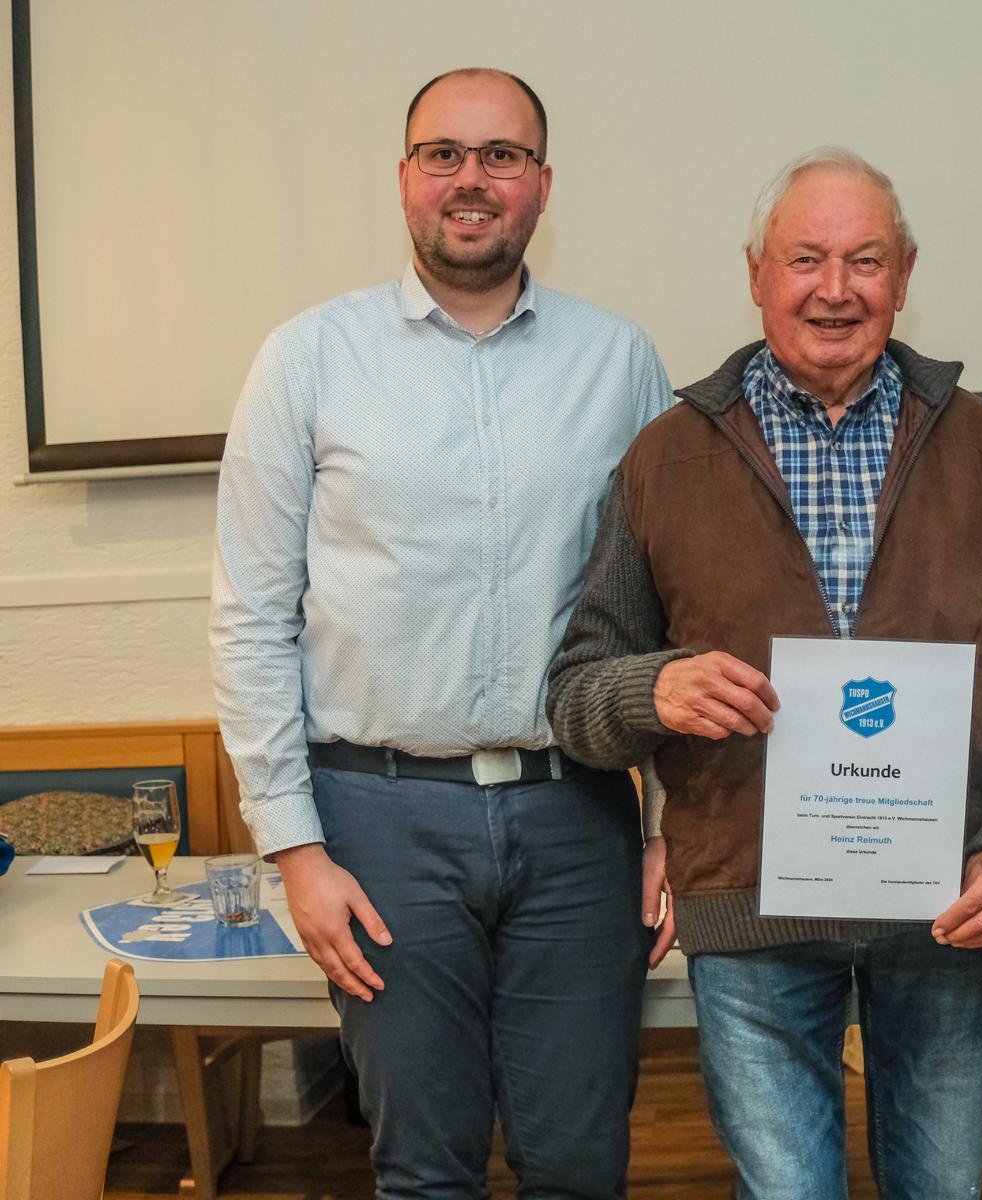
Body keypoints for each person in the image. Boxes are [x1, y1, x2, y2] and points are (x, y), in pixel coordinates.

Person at [544, 145, 982, 1199]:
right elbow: (575, 694)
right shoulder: (664, 460)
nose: (836, 289)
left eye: (865, 260)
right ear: (756, 274)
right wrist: (654, 691)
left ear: (905, 276)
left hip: (946, 908)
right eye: (805, 259)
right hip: (751, 914)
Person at [209, 68, 672, 1198]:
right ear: (406, 178)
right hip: (378, 825)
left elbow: (669, 613)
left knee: (581, 1166)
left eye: (502, 155)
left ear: (542, 184)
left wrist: (671, 826)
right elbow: (252, 616)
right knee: (424, 1172)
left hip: (579, 821)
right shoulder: (307, 358)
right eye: (444, 155)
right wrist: (297, 852)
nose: (472, 179)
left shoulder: (619, 362)